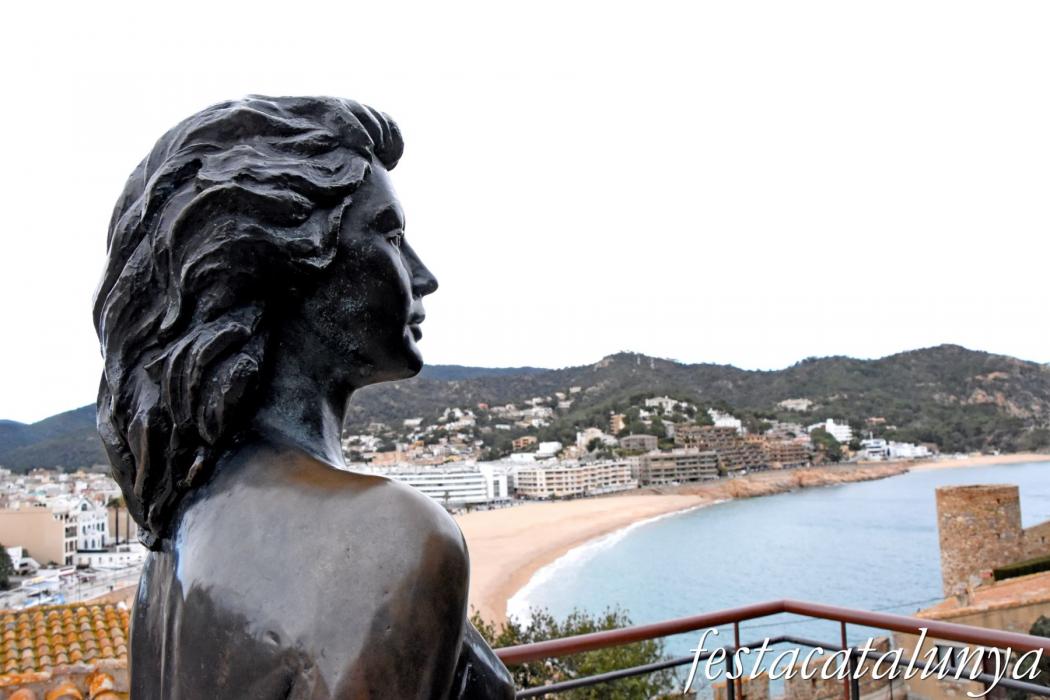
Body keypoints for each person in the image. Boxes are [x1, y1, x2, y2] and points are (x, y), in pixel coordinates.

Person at [93, 96, 515, 699]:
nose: (423, 275)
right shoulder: (383, 536)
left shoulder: (172, 547)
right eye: (390, 235)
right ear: (287, 267)